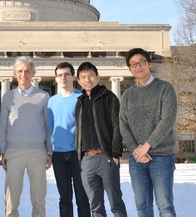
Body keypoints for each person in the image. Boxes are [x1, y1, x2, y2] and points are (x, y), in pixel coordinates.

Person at [119, 48, 177, 217]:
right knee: (142, 208)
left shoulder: (165, 88)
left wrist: (146, 147)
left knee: (165, 207)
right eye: (133, 64)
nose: (138, 67)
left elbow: (167, 121)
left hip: (162, 157)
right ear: (130, 68)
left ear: (149, 64)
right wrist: (136, 150)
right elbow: (123, 124)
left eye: (142, 62)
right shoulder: (128, 95)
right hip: (137, 160)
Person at [0, 56, 52, 217]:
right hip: (14, 152)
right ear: (15, 74)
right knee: (11, 198)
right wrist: (3, 151)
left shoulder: (44, 97)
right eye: (20, 71)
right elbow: (4, 127)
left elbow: (48, 126)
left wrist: (49, 152)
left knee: (39, 198)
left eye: (27, 71)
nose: (24, 74)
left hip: (38, 153)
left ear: (33, 73)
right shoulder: (8, 97)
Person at [75, 62, 127, 217]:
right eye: (83, 77)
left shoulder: (109, 98)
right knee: (96, 207)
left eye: (91, 75)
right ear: (78, 81)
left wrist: (115, 154)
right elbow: (78, 132)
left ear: (97, 77)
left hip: (106, 158)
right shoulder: (79, 102)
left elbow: (118, 126)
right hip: (87, 160)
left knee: (116, 204)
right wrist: (80, 159)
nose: (87, 80)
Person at [47, 62, 91, 217]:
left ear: (73, 76)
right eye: (60, 75)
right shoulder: (51, 102)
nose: (63, 77)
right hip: (59, 155)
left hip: (79, 154)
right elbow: (51, 128)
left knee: (82, 198)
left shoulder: (82, 98)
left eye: (66, 74)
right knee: (64, 198)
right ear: (56, 79)